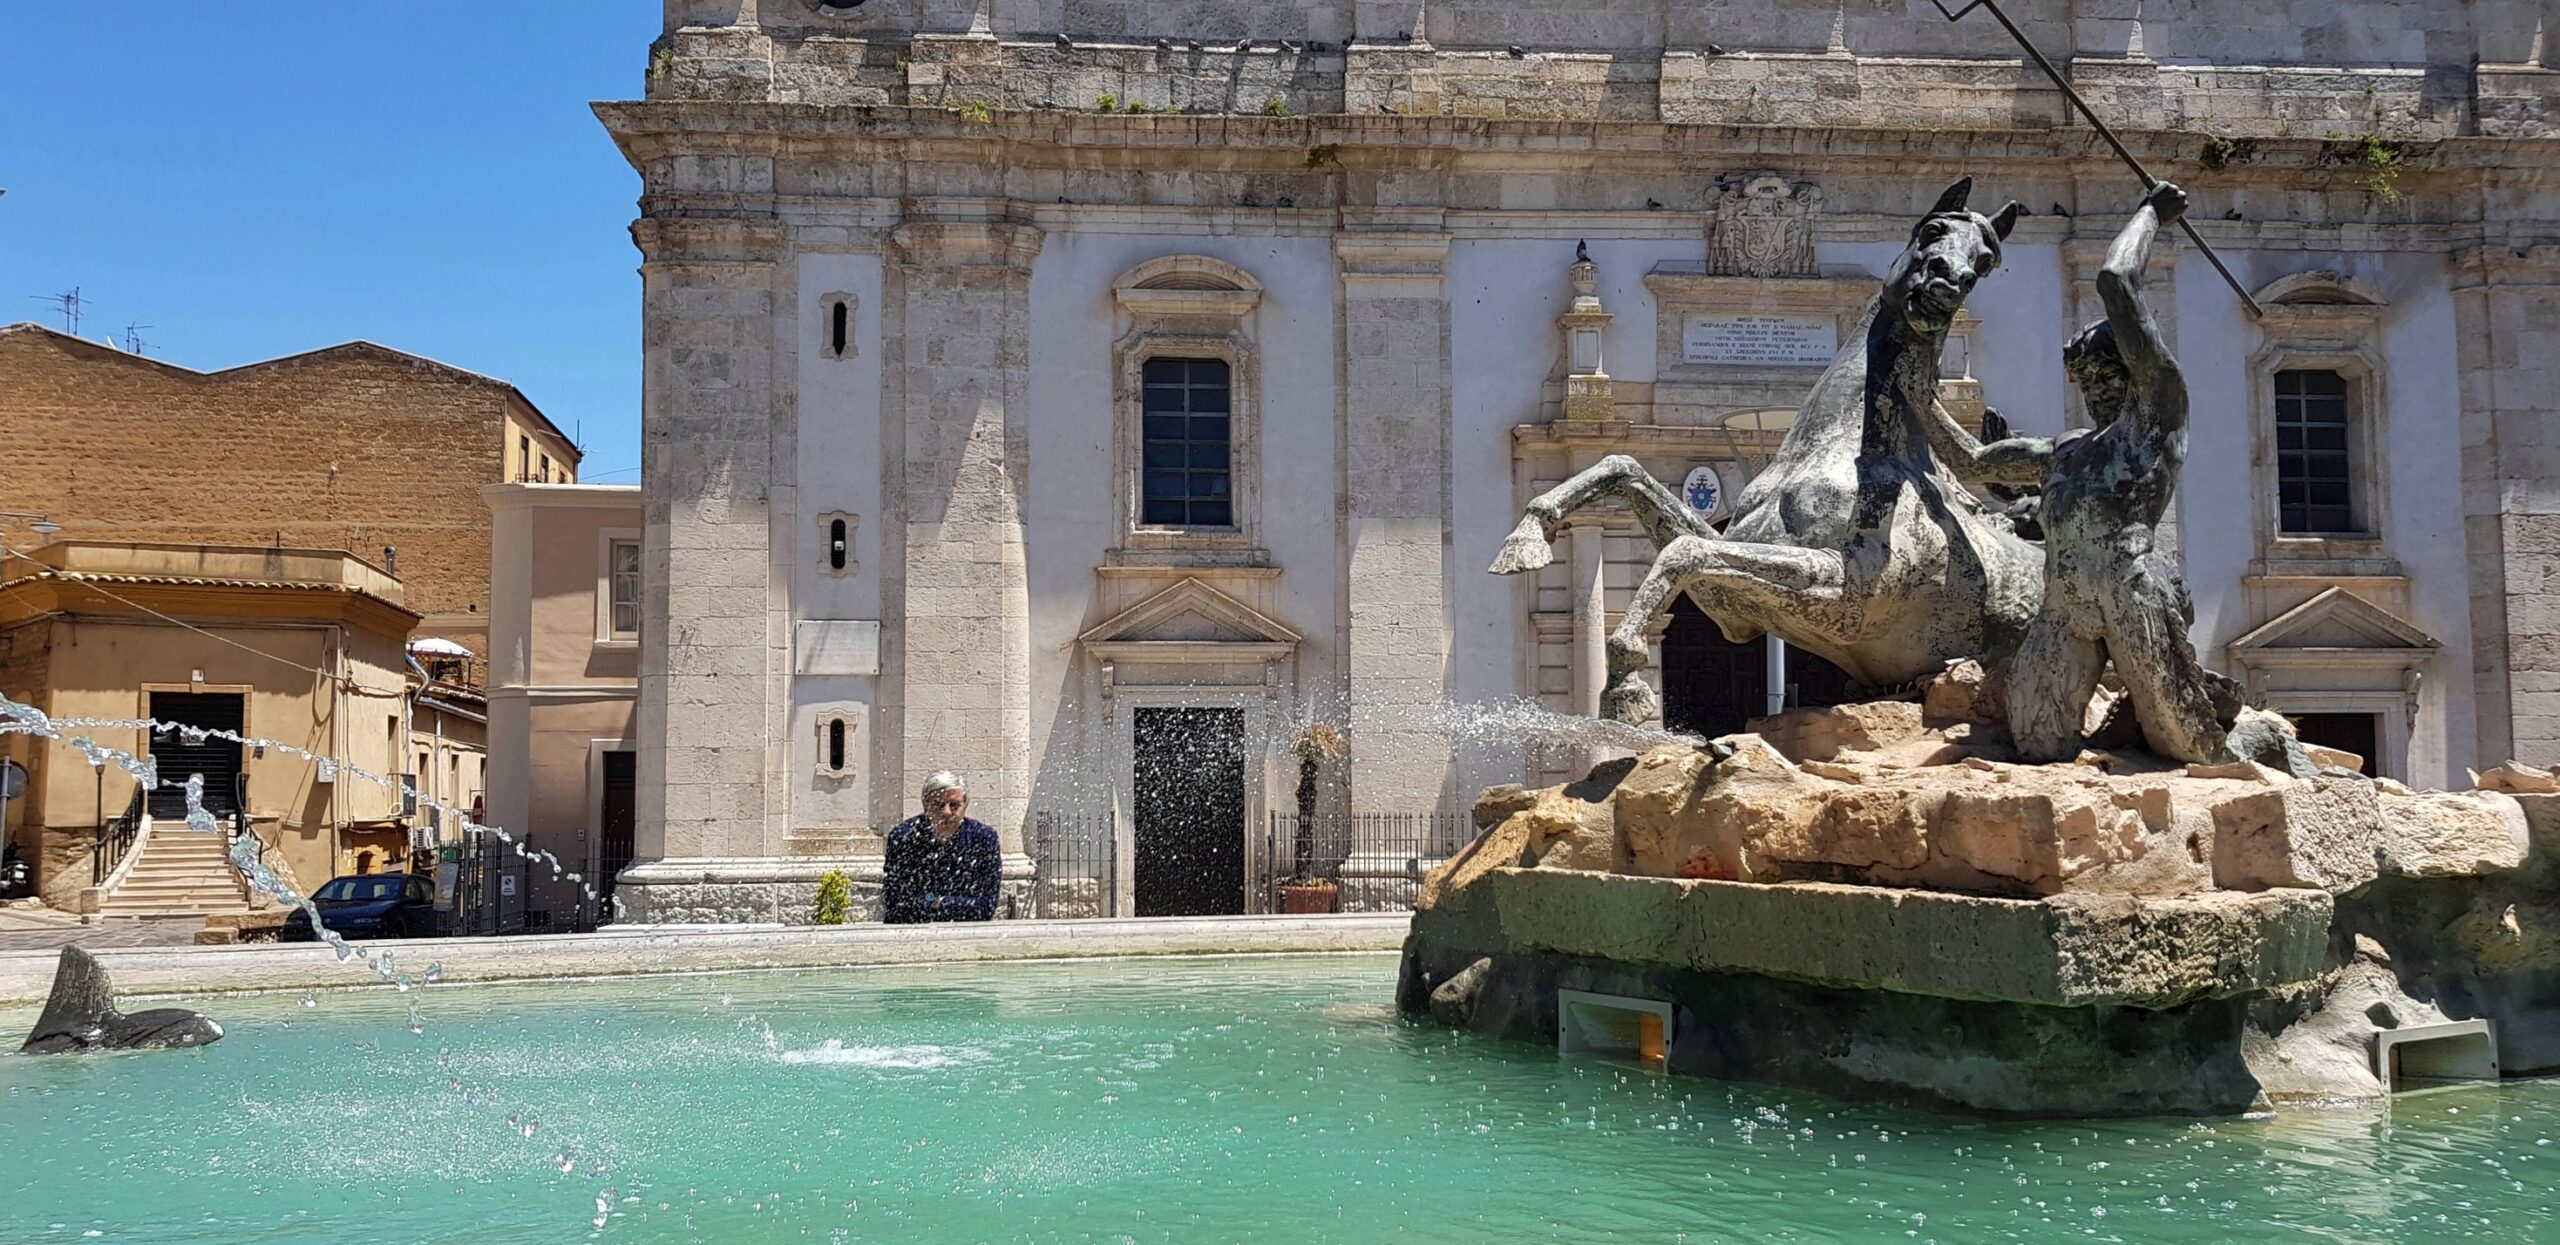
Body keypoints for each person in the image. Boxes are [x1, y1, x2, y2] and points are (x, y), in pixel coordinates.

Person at [1925, 181, 2238, 763]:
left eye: (2106, 375)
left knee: (2187, 741)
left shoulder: (2154, 422)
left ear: (2137, 371)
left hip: (2130, 591)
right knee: (2037, 741)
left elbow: (2116, 282)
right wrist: (1918, 392)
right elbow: (1971, 462)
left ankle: (2249, 739)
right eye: (2085, 380)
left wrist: (2150, 213)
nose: (2095, 390)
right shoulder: (2066, 450)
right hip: (2063, 605)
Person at [881, 771, 1002, 923]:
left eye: (954, 805)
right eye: (939, 805)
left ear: (965, 805)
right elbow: (896, 905)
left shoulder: (984, 838)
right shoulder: (904, 836)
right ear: (926, 805)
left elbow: (986, 907)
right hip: (913, 933)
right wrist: (951, 903)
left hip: (966, 935)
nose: (946, 812)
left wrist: (937, 902)